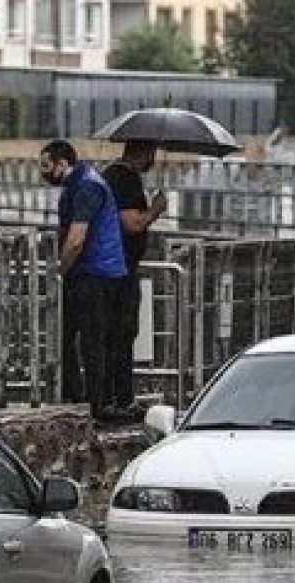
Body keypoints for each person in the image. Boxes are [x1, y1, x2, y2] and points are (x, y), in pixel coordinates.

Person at [39, 140, 128, 419]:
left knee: (90, 340)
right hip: (94, 271)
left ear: (62, 162)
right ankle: (80, 397)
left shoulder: (86, 186)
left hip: (94, 273)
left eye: (46, 165)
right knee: (72, 337)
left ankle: (93, 404)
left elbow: (76, 239)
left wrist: (58, 272)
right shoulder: (79, 184)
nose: (43, 172)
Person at [102, 140, 168, 415]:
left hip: (117, 268)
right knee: (122, 333)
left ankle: (115, 396)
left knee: (117, 334)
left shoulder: (113, 175)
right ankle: (120, 398)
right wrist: (156, 209)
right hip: (121, 270)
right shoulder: (124, 178)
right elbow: (132, 223)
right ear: (146, 152)